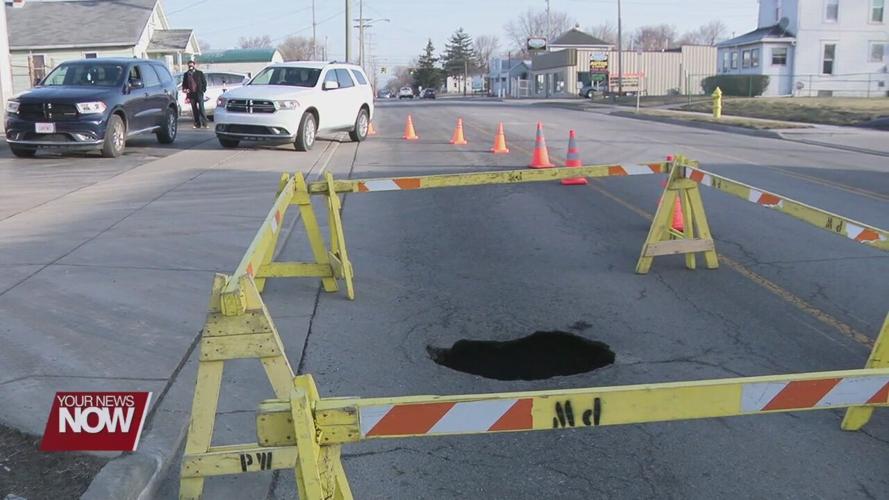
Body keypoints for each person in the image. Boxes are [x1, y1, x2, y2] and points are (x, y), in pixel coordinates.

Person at [182, 60, 208, 128]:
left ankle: (205, 123)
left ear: (194, 65)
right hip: (191, 94)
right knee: (194, 109)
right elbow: (184, 84)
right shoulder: (186, 74)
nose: (191, 66)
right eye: (189, 65)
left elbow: (204, 82)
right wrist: (185, 89)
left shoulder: (199, 73)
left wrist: (203, 90)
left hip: (199, 93)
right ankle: (197, 124)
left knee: (201, 108)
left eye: (192, 65)